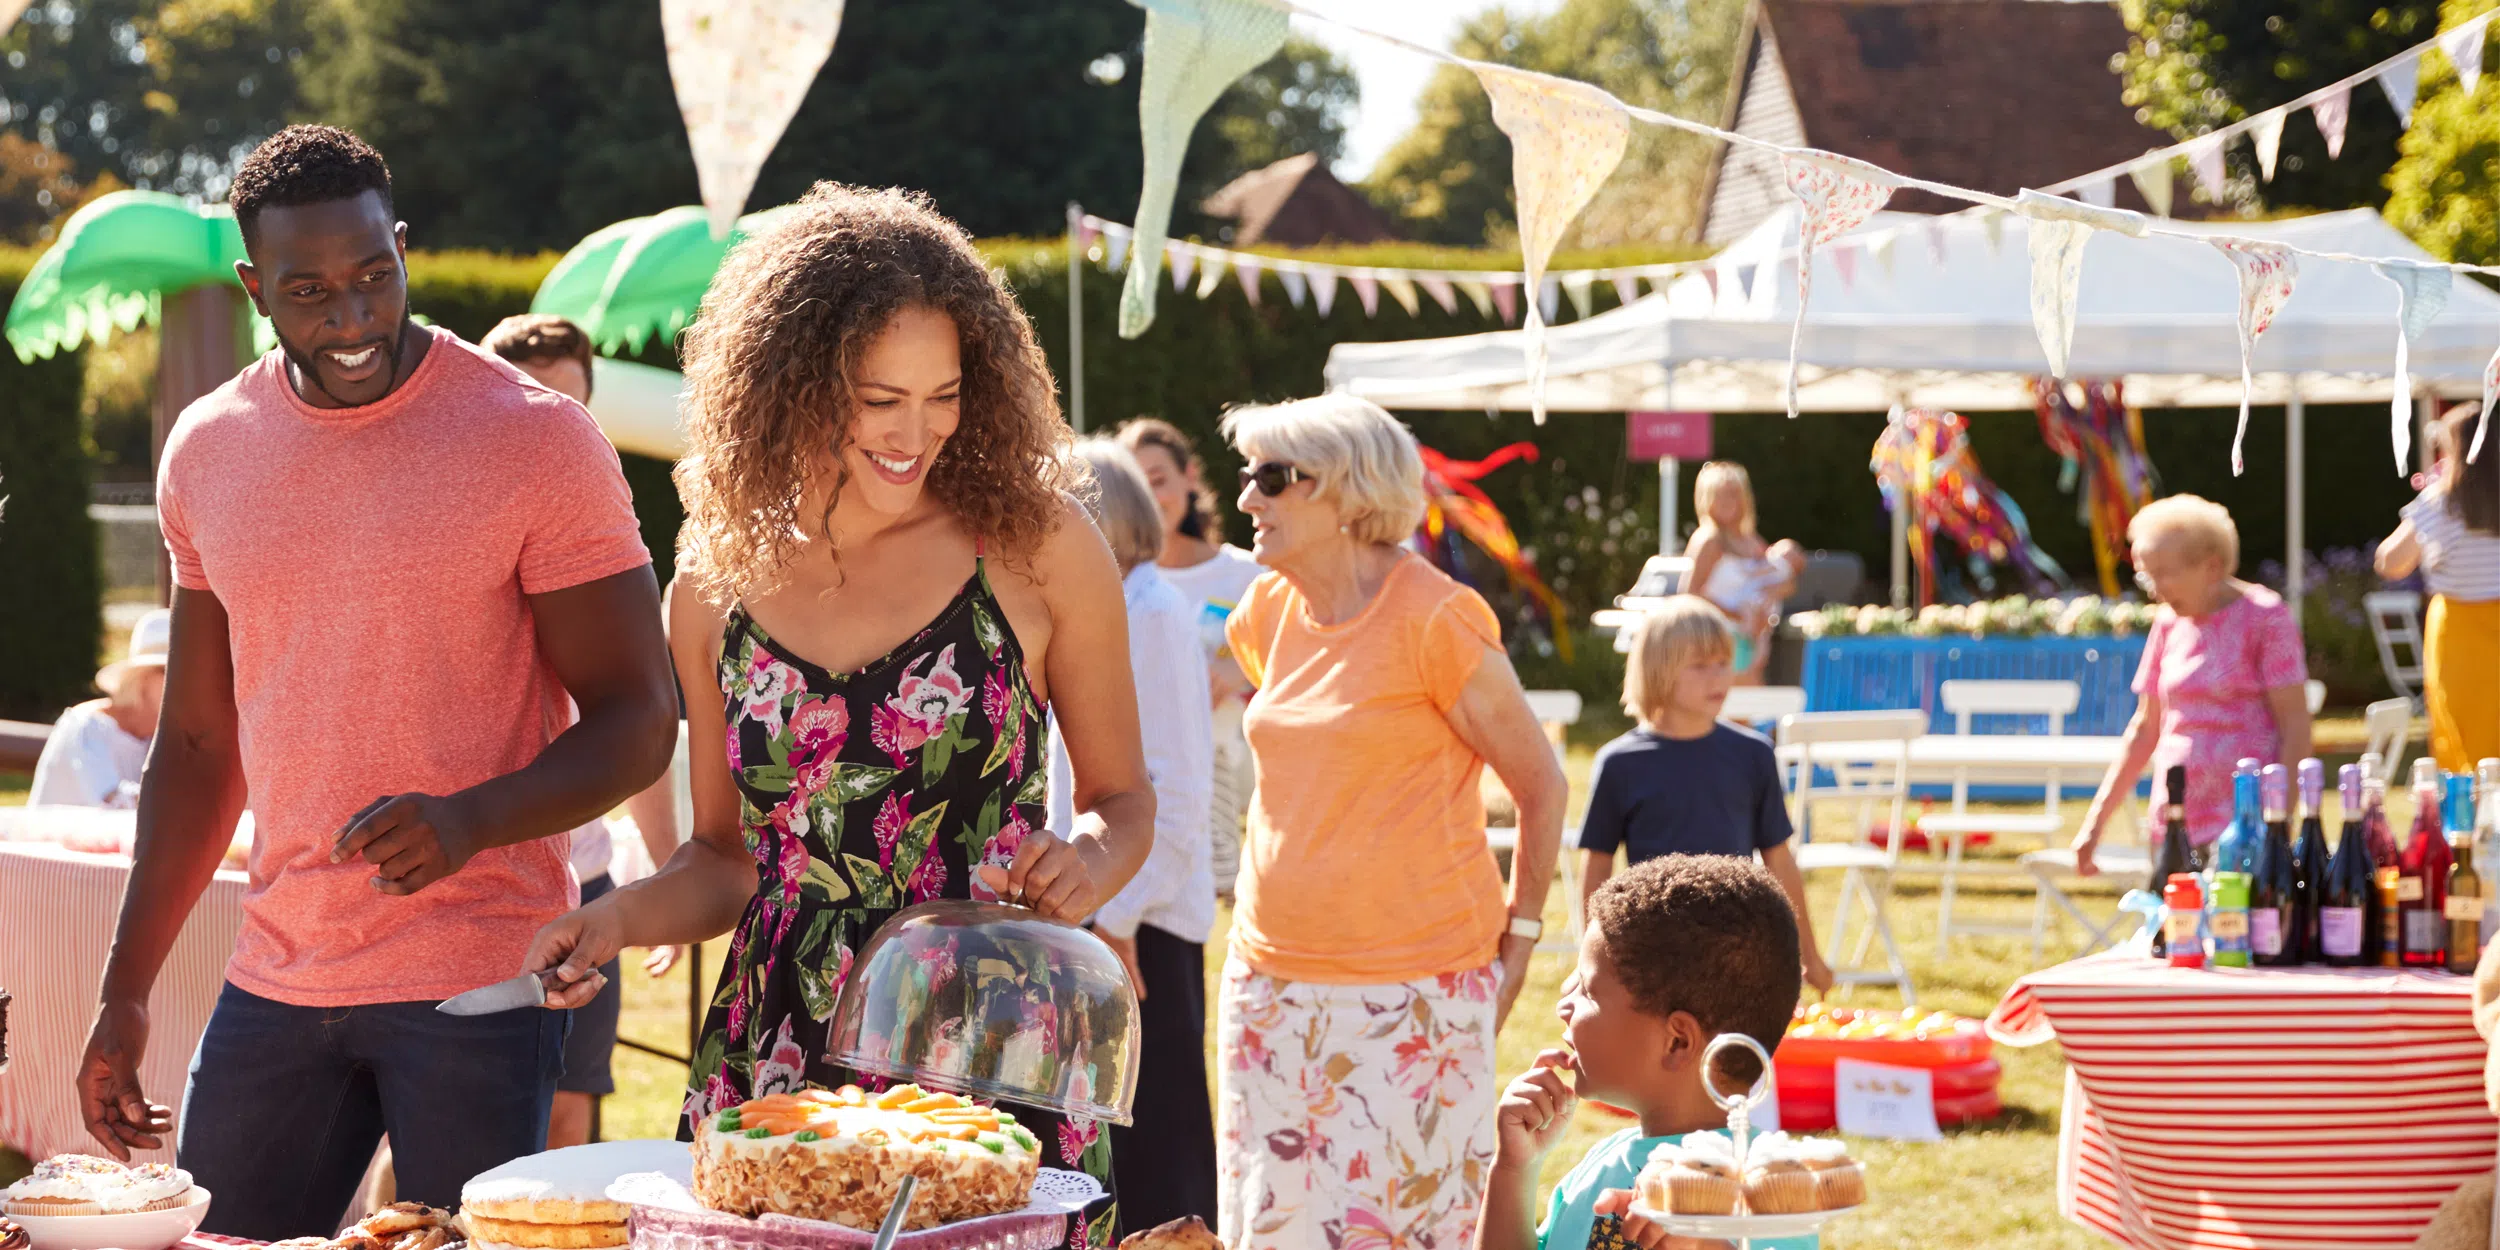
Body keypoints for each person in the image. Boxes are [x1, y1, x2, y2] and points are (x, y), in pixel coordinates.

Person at [516, 183, 1152, 1249]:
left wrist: (1088, 855)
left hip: (992, 1038)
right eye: (879, 398)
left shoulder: (1042, 544)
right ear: (796, 384)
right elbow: (725, 859)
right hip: (778, 1050)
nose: (918, 432)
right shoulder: (711, 583)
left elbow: (1125, 799)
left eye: (944, 394)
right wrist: (615, 919)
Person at [75, 126, 677, 1237]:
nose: (351, 319)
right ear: (255, 288)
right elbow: (201, 746)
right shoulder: (209, 450)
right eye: (309, 292)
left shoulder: (537, 439)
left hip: (480, 975)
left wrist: (470, 819)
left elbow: (642, 715)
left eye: (372, 276)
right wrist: (123, 990)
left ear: (401, 245)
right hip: (280, 973)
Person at [1214, 394, 1567, 1250]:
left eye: (1272, 478)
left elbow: (1542, 784)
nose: (1246, 500)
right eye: (1246, 475)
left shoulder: (1436, 619)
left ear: (1347, 494)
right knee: (1270, 1230)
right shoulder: (1267, 613)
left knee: (1406, 1232)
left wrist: (1520, 941)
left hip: (1414, 991)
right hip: (1267, 988)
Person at [481, 312, 690, 1151]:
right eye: (532, 400)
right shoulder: (453, 530)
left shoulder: (603, 535)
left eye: (572, 405)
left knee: (571, 1113)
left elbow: (630, 721)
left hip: (583, 881)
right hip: (470, 888)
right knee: (441, 1131)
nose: (554, 425)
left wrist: (670, 876)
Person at [1047, 438, 1218, 1233]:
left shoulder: (1150, 611)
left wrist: (1114, 923)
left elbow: (1174, 799)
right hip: (1103, 919)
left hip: (1139, 931)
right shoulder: (1118, 605)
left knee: (1157, 1170)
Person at [1478, 855, 1810, 1250]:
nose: (1563, 1004)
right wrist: (1514, 1170)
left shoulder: (1763, 1191)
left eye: (1587, 989)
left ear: (1677, 1043)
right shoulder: (1603, 1163)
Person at [1579, 596, 1833, 994]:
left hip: (1738, 948)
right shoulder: (1619, 763)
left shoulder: (1754, 755)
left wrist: (1808, 954)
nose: (1718, 677)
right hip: (1651, 952)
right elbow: (1597, 867)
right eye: (1700, 665)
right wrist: (1591, 959)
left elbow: (1779, 860)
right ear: (1658, 670)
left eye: (1723, 662)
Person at [2073, 494, 2313, 873]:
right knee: (2175, 930)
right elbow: (2144, 729)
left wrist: (2277, 821)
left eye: (2163, 573)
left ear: (2212, 566)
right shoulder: (2168, 622)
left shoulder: (2265, 618)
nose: (2153, 588)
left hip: (2246, 828)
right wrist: (2095, 823)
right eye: (2145, 574)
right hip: (2174, 822)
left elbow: (2296, 728)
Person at [1118, 417, 1262, 903]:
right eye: (1136, 484)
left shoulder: (1248, 575)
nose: (1152, 497)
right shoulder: (1115, 585)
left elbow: (1296, 663)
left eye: (1158, 480)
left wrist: (1239, 671)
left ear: (1190, 475)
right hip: (1134, 773)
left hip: (1223, 768)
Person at [2376, 402, 2500, 773]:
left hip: (2459, 631)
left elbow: (2391, 563)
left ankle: (2473, 815)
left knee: (2462, 729)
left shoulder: (2441, 503)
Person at [30, 609, 170, 809]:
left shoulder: (156, 738)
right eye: (172, 673)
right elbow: (111, 800)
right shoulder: (88, 725)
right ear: (143, 678)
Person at [1679, 462, 1804, 685]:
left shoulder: (1751, 540)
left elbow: (1782, 578)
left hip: (1754, 644)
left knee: (1751, 711)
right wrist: (1739, 616)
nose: (1728, 501)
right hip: (1720, 644)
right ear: (1707, 499)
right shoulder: (1708, 540)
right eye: (1720, 495)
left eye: (1733, 494)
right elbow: (1690, 594)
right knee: (1733, 710)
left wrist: (1776, 591)